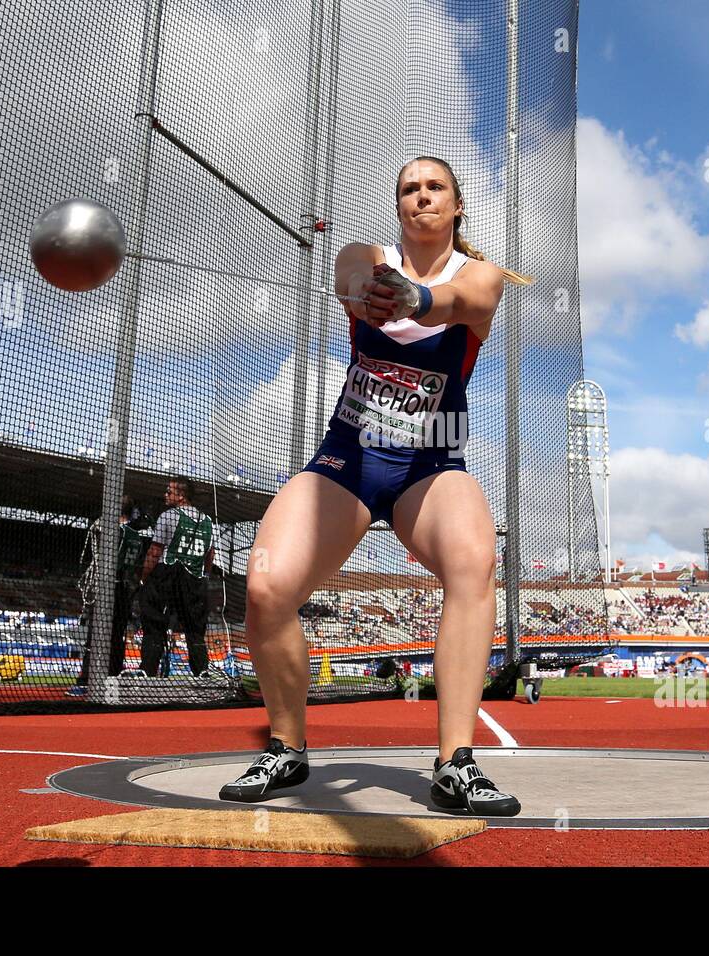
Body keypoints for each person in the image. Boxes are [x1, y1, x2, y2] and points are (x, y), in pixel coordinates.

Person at [219, 156, 531, 816]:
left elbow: (467, 301)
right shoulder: (364, 254)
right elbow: (352, 277)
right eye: (409, 189)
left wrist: (420, 300)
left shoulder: (481, 275)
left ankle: (455, 763)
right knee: (266, 583)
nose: (421, 196)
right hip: (350, 458)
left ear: (456, 205)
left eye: (434, 187)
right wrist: (374, 291)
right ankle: (287, 746)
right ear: (399, 206)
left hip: (431, 466)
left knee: (474, 562)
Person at [137, 479, 224, 682]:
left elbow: (155, 550)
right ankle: (201, 671)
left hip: (167, 575)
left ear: (181, 496)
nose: (165, 495)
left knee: (155, 623)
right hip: (194, 579)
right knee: (195, 630)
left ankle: (148, 671)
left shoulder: (168, 516)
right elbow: (209, 555)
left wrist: (143, 578)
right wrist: (203, 576)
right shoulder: (207, 521)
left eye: (169, 492)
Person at [67, 497, 151, 697]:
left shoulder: (113, 532)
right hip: (124, 589)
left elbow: (99, 554)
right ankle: (112, 677)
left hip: (107, 587)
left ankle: (86, 680)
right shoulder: (136, 536)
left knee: (95, 635)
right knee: (117, 637)